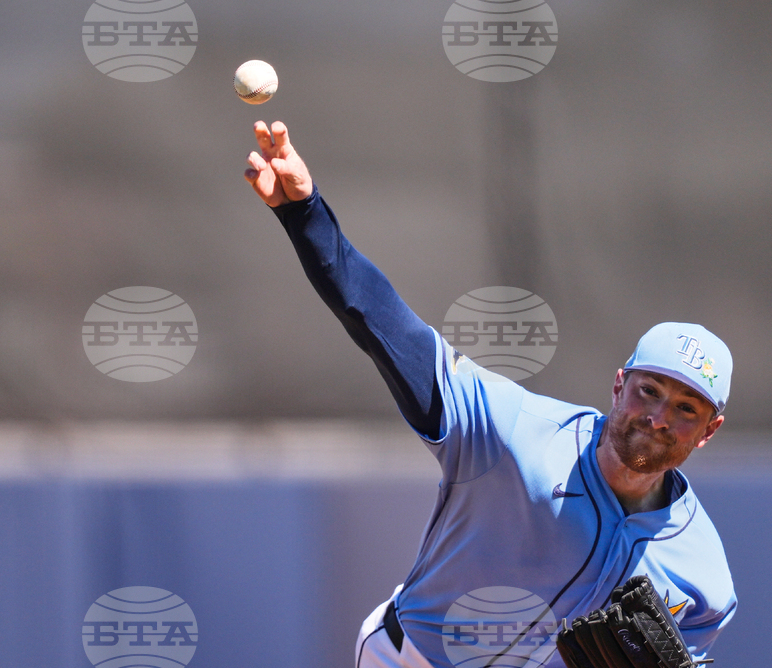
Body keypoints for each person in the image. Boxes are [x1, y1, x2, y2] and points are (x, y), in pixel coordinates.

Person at [244, 121, 737, 668]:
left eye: (686, 407)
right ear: (619, 386)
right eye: (649, 390)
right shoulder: (511, 429)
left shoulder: (703, 577)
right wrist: (305, 213)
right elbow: (384, 324)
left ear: (709, 429)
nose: (659, 417)